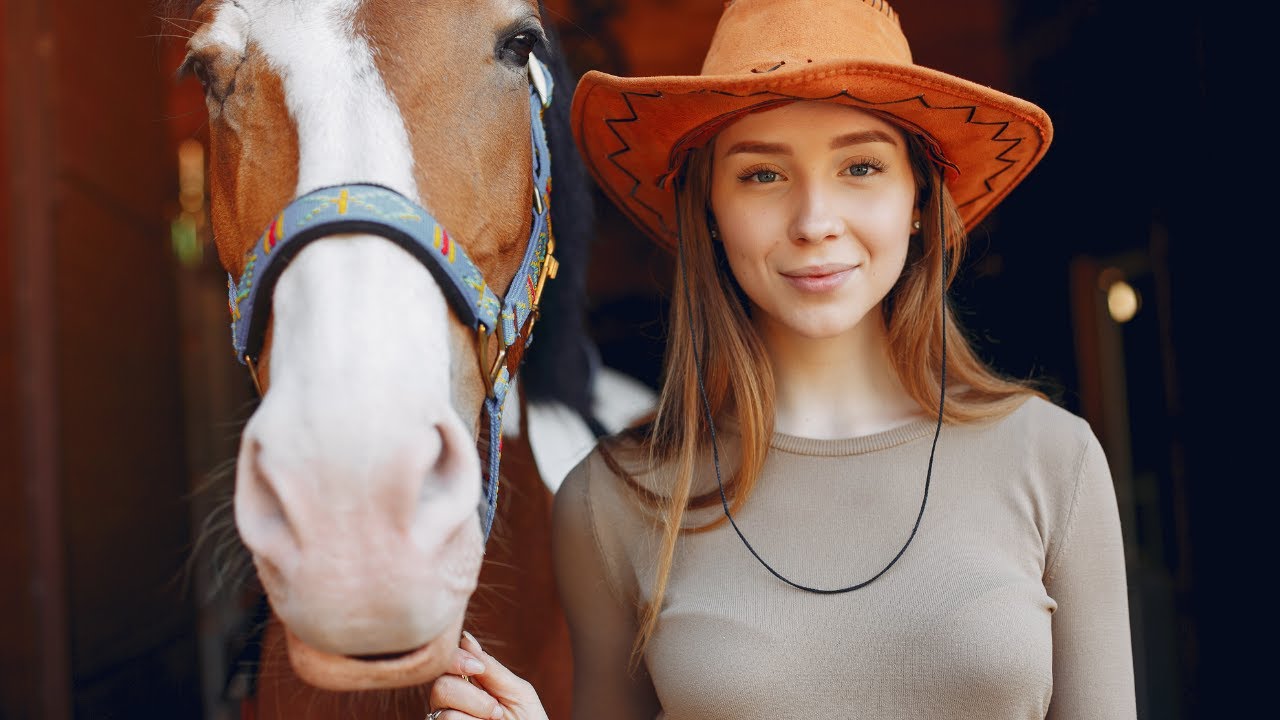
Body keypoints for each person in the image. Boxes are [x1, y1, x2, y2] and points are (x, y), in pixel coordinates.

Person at [426, 0, 1136, 718]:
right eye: (762, 175)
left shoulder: (1053, 461)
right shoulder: (612, 506)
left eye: (860, 166)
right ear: (709, 205)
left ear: (920, 196)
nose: (814, 222)